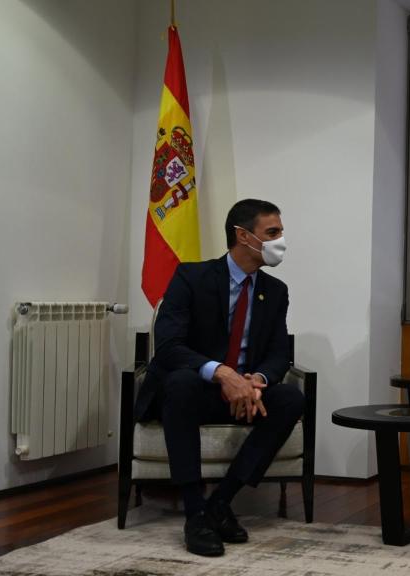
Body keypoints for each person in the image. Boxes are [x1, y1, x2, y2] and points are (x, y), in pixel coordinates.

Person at [134, 199, 304, 557]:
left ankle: (221, 502)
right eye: (272, 233)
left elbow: (278, 354)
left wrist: (256, 380)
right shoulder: (190, 277)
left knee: (290, 398)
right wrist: (223, 373)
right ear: (243, 236)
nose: (281, 241)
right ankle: (195, 512)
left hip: (244, 394)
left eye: (281, 232)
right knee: (179, 383)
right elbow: (168, 346)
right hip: (197, 391)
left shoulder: (275, 291)